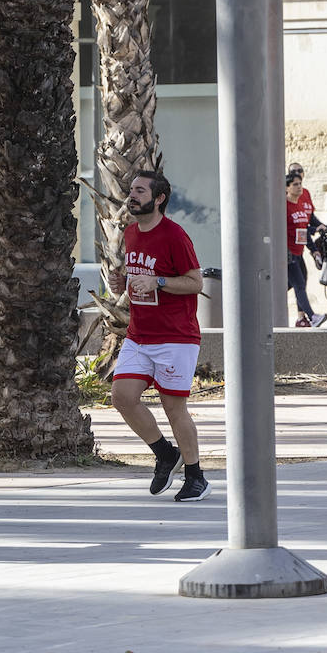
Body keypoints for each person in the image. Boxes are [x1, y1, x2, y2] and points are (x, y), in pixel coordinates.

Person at [108, 170, 211, 502]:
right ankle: (165, 453)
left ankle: (196, 476)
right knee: (122, 396)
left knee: (173, 407)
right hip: (140, 334)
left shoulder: (174, 236)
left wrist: (160, 282)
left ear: (159, 198)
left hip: (175, 337)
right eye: (131, 189)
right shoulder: (130, 234)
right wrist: (121, 284)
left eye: (140, 190)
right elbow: (135, 275)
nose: (132, 195)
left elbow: (195, 282)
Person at [285, 169, 327, 328]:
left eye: (300, 183)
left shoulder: (300, 207)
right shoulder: (284, 206)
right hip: (288, 253)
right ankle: (311, 316)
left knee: (291, 285)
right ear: (286, 188)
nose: (299, 187)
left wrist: (313, 249)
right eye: (295, 184)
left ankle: (267, 304)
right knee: (299, 285)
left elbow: (303, 230)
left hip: (299, 252)